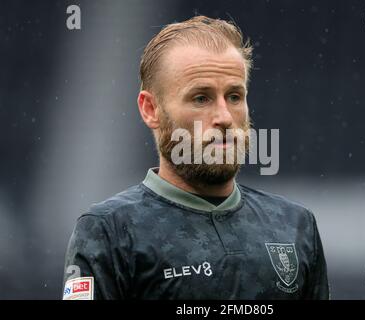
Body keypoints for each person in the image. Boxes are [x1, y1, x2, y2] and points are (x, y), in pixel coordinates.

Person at [62, 15, 329, 300]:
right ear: (150, 109)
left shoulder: (295, 225)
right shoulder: (110, 230)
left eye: (235, 96)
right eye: (201, 98)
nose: (225, 117)